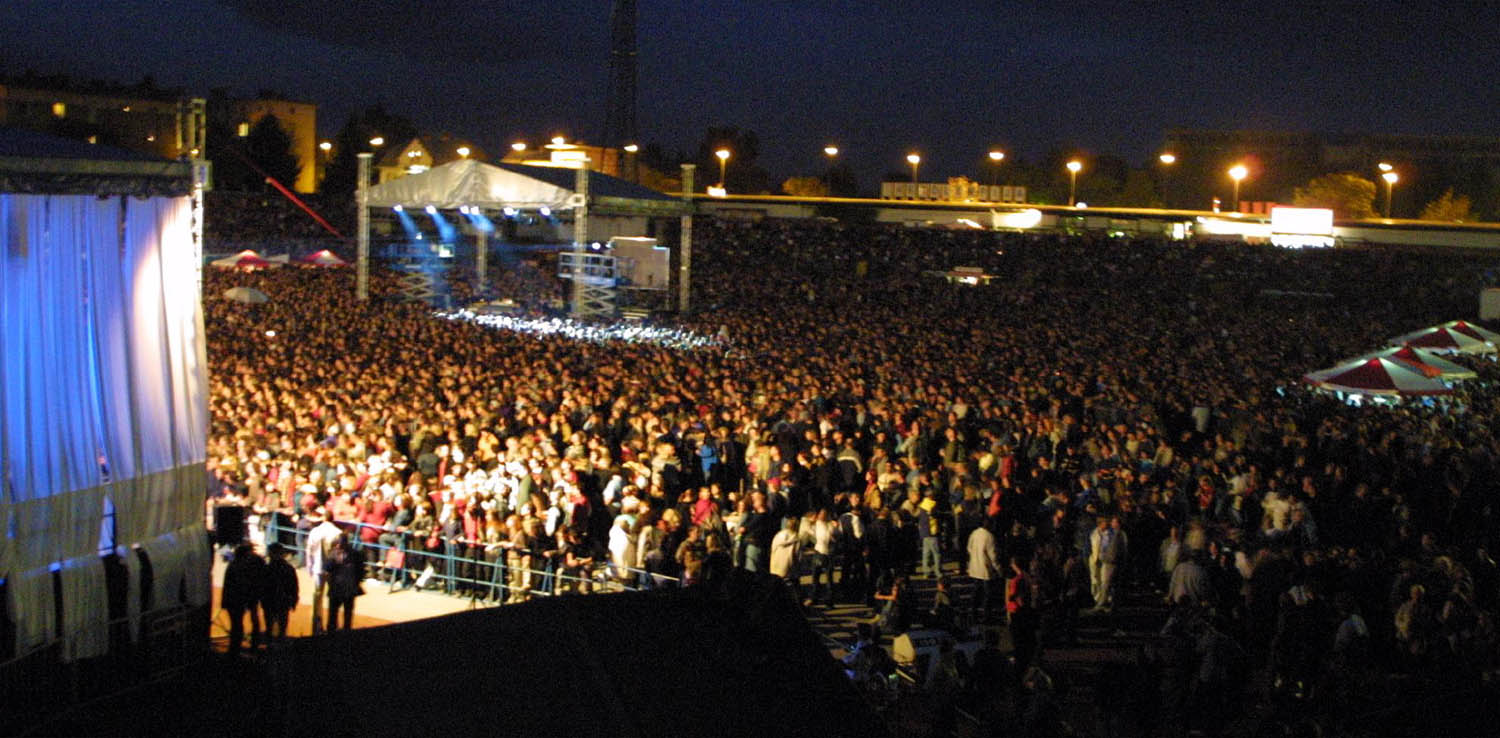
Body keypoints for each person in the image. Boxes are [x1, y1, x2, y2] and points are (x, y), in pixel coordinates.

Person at [221, 542, 266, 656]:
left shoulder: (234, 564)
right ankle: (252, 646)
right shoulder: (252, 562)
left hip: (237, 598)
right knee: (249, 621)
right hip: (247, 596)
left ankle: (235, 650)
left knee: (237, 624)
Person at [304, 507, 342, 634]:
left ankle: (316, 625)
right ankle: (332, 625)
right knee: (333, 596)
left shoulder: (315, 531)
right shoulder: (338, 532)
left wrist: (309, 566)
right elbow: (340, 554)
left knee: (317, 596)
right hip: (332, 569)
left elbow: (309, 550)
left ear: (324, 518)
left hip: (318, 567)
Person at [324, 533, 365, 632]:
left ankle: (346, 633)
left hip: (349, 589)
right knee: (332, 614)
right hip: (336, 588)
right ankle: (331, 632)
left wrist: (356, 583)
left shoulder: (355, 554)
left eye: (341, 543)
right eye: (337, 544)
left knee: (348, 615)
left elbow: (361, 571)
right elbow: (327, 568)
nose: (338, 546)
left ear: (346, 543)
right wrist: (333, 559)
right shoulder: (332, 554)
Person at [262, 542, 299, 641]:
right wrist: (294, 600)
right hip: (280, 601)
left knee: (271, 627)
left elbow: (293, 586)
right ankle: (278, 643)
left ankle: (272, 642)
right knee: (281, 627)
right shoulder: (288, 568)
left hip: (273, 601)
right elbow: (294, 587)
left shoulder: (267, 568)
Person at [966, 523, 1001, 620]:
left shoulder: (974, 533)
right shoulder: (989, 536)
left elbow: (969, 548)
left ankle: (973, 613)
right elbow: (992, 555)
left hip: (974, 567)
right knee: (987, 594)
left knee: (976, 592)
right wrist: (998, 569)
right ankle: (986, 615)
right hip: (985, 569)